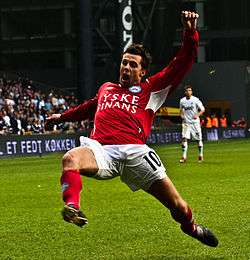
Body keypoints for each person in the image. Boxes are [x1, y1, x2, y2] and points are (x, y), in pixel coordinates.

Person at [46, 11, 218, 247]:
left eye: (132, 64)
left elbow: (183, 61)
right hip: (102, 150)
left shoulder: (153, 88)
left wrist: (190, 32)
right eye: (124, 62)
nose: (126, 67)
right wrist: (60, 117)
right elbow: (88, 108)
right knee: (70, 159)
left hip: (136, 152)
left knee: (177, 206)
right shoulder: (107, 88)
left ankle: (192, 228)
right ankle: (73, 206)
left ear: (142, 71)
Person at [179, 85, 205, 163]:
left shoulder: (195, 100)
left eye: (190, 90)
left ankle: (200, 155)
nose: (189, 92)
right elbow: (181, 110)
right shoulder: (182, 101)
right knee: (184, 138)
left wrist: (197, 115)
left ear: (191, 92)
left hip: (195, 123)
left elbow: (202, 109)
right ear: (185, 92)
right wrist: (182, 116)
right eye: (187, 90)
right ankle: (184, 157)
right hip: (186, 123)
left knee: (198, 139)